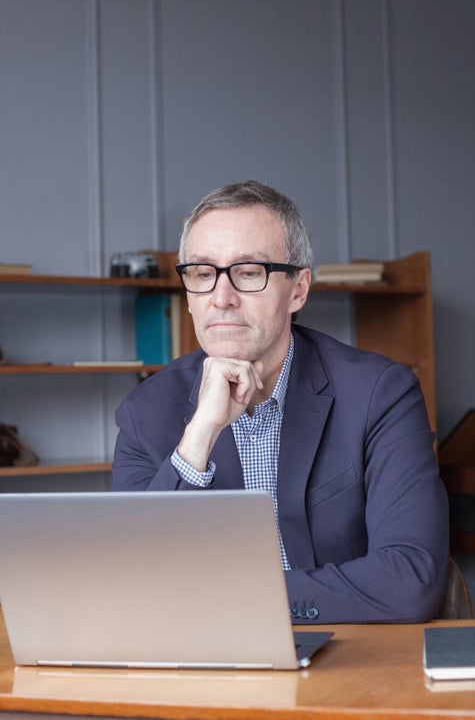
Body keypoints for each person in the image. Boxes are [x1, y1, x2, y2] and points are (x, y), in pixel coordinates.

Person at [112, 180, 448, 623]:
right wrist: (200, 434)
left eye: (249, 272)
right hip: (205, 670)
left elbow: (410, 580)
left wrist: (245, 602)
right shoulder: (145, 414)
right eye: (202, 273)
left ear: (298, 290)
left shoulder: (379, 393)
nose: (221, 298)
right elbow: (132, 586)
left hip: (351, 658)